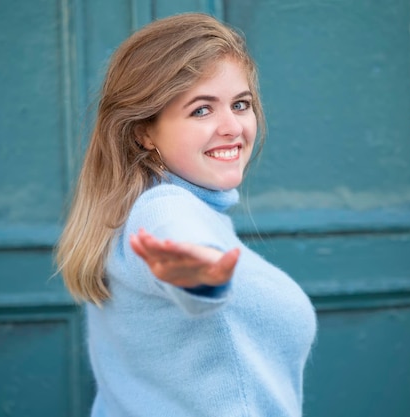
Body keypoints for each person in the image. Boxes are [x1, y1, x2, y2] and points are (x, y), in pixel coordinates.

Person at [56, 12, 317, 417]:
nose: (232, 126)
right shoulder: (164, 209)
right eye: (201, 110)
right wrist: (195, 275)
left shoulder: (127, 211)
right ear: (144, 130)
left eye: (240, 104)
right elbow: (182, 246)